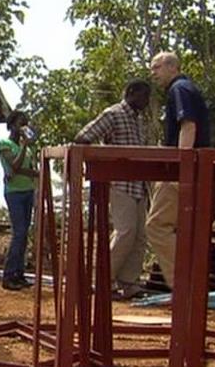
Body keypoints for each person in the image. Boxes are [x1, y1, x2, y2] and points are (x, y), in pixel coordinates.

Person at [75, 80, 150, 299]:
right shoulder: (113, 114)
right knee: (125, 231)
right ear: (131, 93)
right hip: (120, 183)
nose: (146, 101)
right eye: (144, 96)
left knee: (139, 236)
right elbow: (83, 136)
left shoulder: (138, 120)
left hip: (138, 184)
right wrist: (105, 161)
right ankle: (102, 281)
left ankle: (129, 282)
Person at [145, 52, 210, 289]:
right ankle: (190, 285)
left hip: (180, 169)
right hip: (194, 169)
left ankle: (183, 286)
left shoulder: (179, 89)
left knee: (157, 226)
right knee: (183, 228)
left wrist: (180, 166)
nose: (153, 73)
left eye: (156, 67)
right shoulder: (187, 88)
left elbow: (188, 126)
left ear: (172, 67)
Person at [0, 111, 38, 291]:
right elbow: (13, 165)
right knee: (19, 232)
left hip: (27, 190)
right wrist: (23, 147)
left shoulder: (28, 149)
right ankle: (8, 274)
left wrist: (19, 171)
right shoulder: (4, 144)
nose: (24, 127)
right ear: (12, 125)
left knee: (24, 234)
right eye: (21, 123)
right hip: (14, 192)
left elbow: (25, 170)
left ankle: (19, 274)